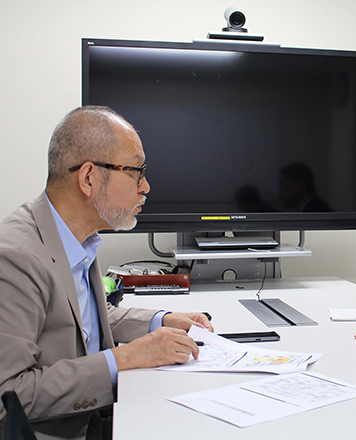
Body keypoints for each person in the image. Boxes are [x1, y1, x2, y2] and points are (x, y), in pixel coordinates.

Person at [0, 106, 214, 439]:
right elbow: (8, 396)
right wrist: (124, 358)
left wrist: (162, 319)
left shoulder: (77, 236)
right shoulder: (16, 257)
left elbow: (81, 324)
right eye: (135, 172)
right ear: (88, 178)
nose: (146, 187)